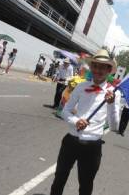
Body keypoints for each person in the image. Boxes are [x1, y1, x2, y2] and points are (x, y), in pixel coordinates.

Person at [50, 49, 120, 195]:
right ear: (91, 67)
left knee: (86, 185)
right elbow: (65, 111)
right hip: (70, 141)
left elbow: (114, 126)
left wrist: (112, 103)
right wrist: (76, 121)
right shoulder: (81, 87)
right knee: (59, 179)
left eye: (102, 67)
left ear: (109, 70)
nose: (98, 70)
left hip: (92, 147)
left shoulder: (113, 93)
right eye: (95, 66)